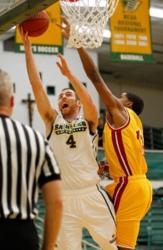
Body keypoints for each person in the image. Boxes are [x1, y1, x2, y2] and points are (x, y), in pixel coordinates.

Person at [20, 28, 117, 250]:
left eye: (68, 94)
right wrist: (28, 49)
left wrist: (70, 77)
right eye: (61, 95)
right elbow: (37, 87)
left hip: (91, 194)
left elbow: (91, 103)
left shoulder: (89, 121)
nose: (63, 96)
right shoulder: (53, 121)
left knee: (113, 247)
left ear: (77, 103)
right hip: (63, 199)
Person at [60, 18, 153, 250]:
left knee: (120, 247)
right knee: (90, 196)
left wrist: (77, 42)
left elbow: (95, 78)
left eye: (120, 96)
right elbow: (127, 154)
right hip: (134, 185)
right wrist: (106, 166)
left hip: (129, 187)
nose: (115, 98)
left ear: (128, 103)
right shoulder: (134, 123)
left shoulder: (119, 113)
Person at [0, 68, 63, 250]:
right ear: (11, 101)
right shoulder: (36, 139)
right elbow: (57, 201)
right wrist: (48, 247)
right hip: (22, 237)